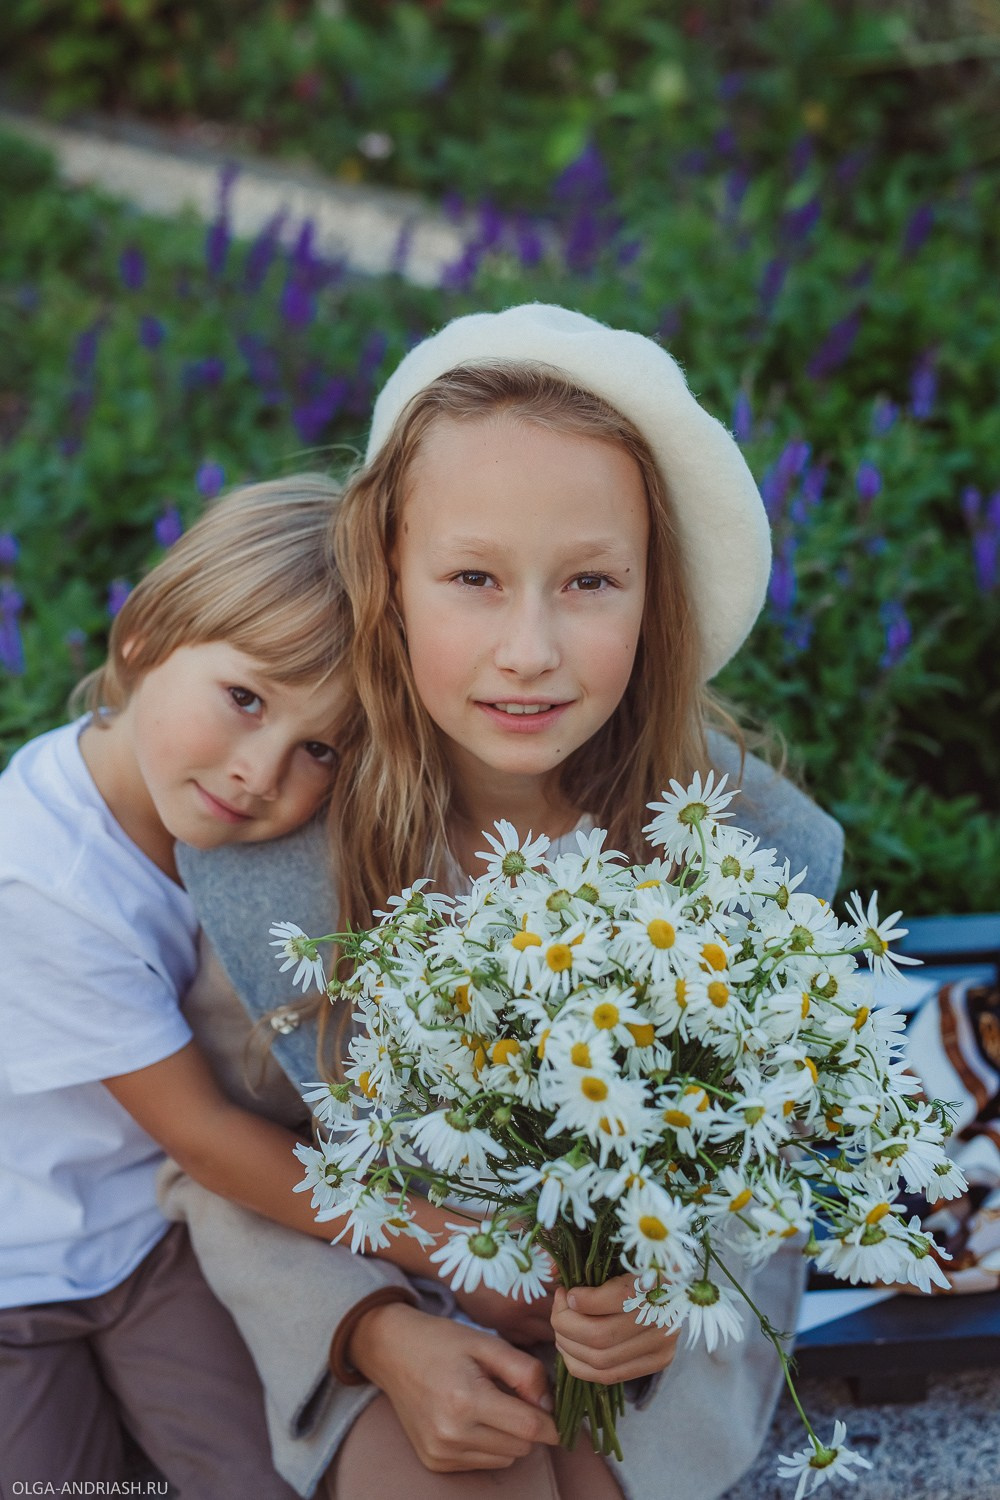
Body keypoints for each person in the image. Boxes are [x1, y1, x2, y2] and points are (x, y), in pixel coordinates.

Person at [165, 304, 845, 1500]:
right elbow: (227, 1157)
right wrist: (375, 1328)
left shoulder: (746, 856)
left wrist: (669, 1283)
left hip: (643, 1322)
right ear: (388, 579)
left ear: (656, 599)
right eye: (473, 577)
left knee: (587, 1477)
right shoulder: (282, 852)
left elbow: (769, 1153)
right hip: (374, 1284)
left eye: (589, 581)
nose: (528, 649)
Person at [0, 477, 356, 1496]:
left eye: (318, 748)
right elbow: (201, 1132)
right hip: (17, 1263)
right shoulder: (39, 874)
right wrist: (444, 1243)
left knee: (262, 1474)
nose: (258, 773)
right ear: (148, 637)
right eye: (244, 699)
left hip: (160, 1237)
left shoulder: (220, 826)